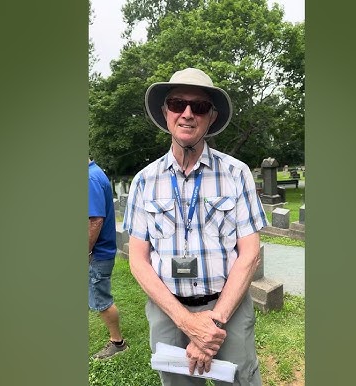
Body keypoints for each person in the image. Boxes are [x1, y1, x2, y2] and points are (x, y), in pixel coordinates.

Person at [123, 68, 267, 385]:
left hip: (226, 307)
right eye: (177, 103)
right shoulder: (144, 181)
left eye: (199, 106)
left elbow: (250, 254)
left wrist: (211, 324)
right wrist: (186, 322)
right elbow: (137, 259)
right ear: (165, 111)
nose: (187, 114)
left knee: (240, 380)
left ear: (211, 117)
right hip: (169, 311)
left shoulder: (236, 173)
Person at [88, 158, 128, 359]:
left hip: (96, 254)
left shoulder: (89, 178)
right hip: (97, 252)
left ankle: (118, 343)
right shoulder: (92, 173)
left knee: (100, 298)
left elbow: (95, 220)